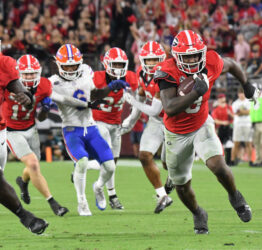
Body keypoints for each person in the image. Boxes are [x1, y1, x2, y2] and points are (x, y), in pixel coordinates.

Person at [153, 30, 257, 234]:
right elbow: (170, 107)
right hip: (176, 133)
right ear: (176, 56)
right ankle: (198, 213)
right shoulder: (167, 71)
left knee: (217, 165)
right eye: (187, 56)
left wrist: (246, 85)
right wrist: (195, 93)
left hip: (201, 124)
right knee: (182, 186)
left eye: (195, 55)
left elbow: (233, 65)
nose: (192, 60)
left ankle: (235, 195)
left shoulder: (211, 61)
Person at [49, 44, 129, 215]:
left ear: (80, 63)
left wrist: (109, 88)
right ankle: (81, 201)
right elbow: (66, 100)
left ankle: (99, 187)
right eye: (67, 66)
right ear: (59, 64)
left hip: (90, 127)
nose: (70, 69)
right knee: (83, 161)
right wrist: (86, 104)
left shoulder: (86, 71)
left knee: (110, 167)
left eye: (73, 65)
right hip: (72, 129)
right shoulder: (53, 82)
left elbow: (94, 94)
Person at [3, 55, 68, 216]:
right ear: (18, 73)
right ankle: (53, 203)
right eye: (26, 74)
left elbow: (41, 118)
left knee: (33, 166)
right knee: (32, 164)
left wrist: (44, 109)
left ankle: (23, 182)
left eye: (32, 73)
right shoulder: (7, 85)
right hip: (11, 131)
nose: (30, 77)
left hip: (31, 129)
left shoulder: (45, 86)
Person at [122, 41, 174, 213]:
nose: (151, 64)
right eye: (148, 60)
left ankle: (172, 178)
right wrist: (130, 119)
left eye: (155, 60)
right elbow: (142, 96)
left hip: (172, 122)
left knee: (168, 165)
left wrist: (132, 101)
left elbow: (155, 109)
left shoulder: (165, 74)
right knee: (144, 156)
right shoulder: (141, 73)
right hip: (156, 121)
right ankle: (162, 196)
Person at [0, 53, 48, 234]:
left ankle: (23, 214)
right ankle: (26, 216)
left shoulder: (4, 63)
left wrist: (28, 99)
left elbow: (21, 91)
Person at [90, 47, 139, 210]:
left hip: (115, 124)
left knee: (113, 163)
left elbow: (140, 98)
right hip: (98, 122)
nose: (118, 68)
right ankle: (101, 188)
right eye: (114, 64)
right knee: (108, 156)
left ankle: (109, 192)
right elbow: (88, 96)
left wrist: (130, 120)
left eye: (120, 64)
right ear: (106, 64)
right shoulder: (96, 78)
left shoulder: (131, 78)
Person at [231, 87, 253, 166]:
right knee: (236, 143)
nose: (241, 95)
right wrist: (244, 112)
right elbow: (235, 113)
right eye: (240, 93)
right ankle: (233, 160)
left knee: (248, 143)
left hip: (247, 124)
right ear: (238, 94)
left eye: (243, 93)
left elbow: (249, 112)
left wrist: (241, 112)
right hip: (238, 124)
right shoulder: (235, 103)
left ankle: (251, 161)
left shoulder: (249, 102)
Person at [211, 93, 234, 164]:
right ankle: (220, 161)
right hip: (219, 128)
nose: (222, 99)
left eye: (223, 98)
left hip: (228, 129)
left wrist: (230, 114)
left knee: (229, 144)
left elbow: (234, 117)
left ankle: (229, 161)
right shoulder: (216, 109)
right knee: (219, 145)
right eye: (220, 98)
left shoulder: (229, 107)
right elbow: (214, 119)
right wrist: (223, 122)